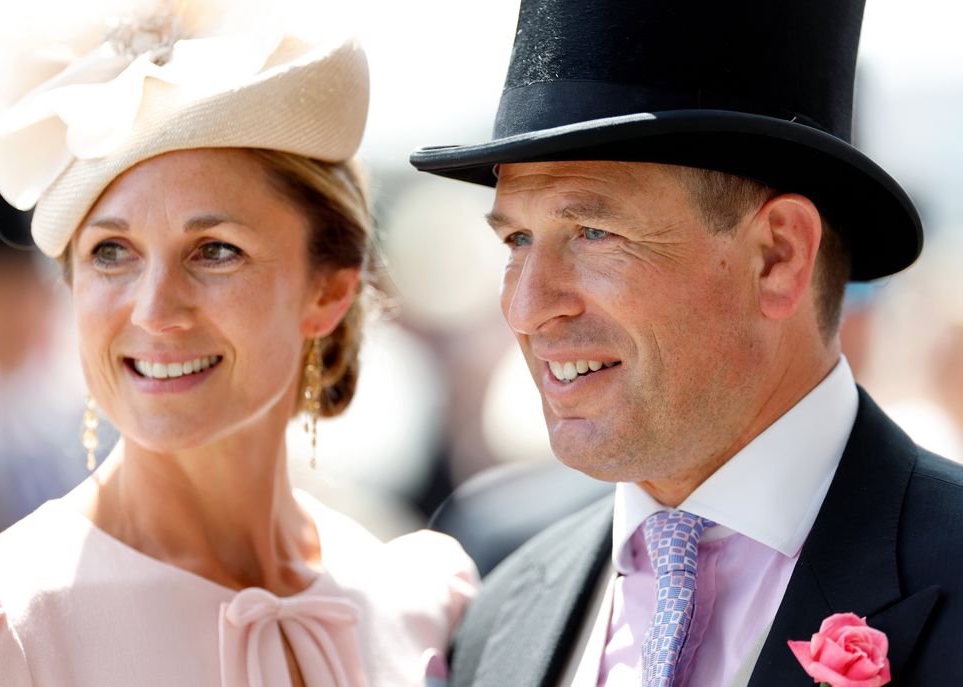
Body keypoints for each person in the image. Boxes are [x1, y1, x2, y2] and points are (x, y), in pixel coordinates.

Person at [411, 0, 963, 685]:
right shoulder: (497, 611)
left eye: (593, 233)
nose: (526, 308)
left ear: (778, 256)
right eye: (516, 239)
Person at [0, 1, 476, 685]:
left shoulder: (422, 604)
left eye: (215, 250)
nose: (156, 310)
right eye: (112, 252)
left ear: (328, 292)